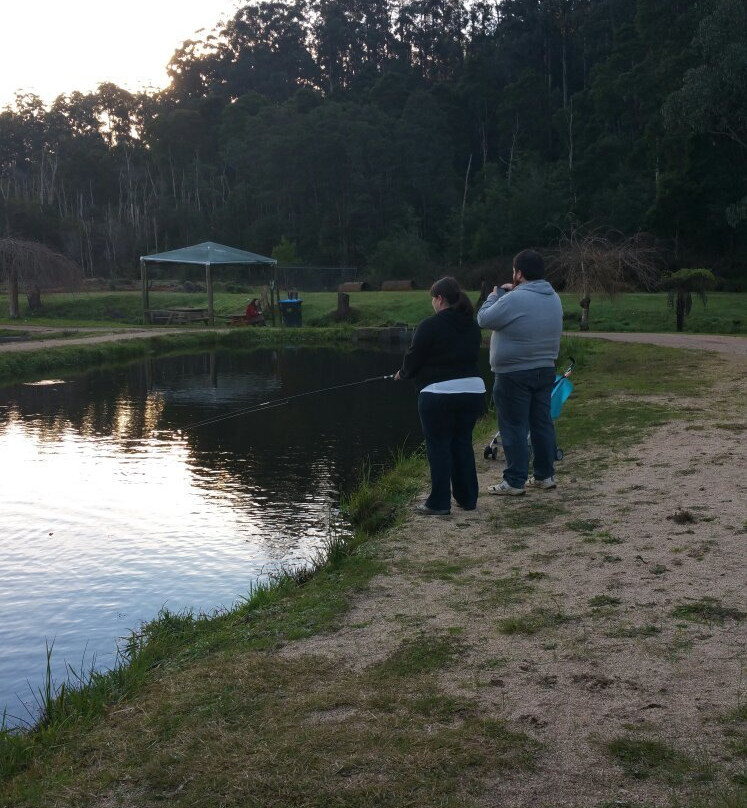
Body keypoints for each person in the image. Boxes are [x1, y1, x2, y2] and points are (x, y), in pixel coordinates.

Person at [394, 277, 485, 515]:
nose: (432, 303)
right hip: (473, 391)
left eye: (432, 298)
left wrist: (403, 373)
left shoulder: (430, 325)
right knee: (462, 443)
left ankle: (439, 503)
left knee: (439, 446)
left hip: (438, 394)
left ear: (440, 299)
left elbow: (414, 357)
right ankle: (468, 498)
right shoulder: (472, 324)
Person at [476, 249, 563, 496]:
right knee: (541, 423)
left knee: (513, 426)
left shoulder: (513, 299)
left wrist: (494, 296)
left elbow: (483, 319)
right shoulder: (553, 297)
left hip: (513, 373)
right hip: (545, 369)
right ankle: (545, 476)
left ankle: (514, 481)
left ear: (519, 273)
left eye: (514, 271)